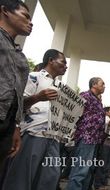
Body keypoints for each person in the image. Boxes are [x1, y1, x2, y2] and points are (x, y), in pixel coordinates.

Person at [2, 49, 68, 190]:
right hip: (33, 134)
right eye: (63, 62)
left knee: (50, 177)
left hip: (54, 137)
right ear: (51, 60)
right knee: (22, 177)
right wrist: (37, 97)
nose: (66, 66)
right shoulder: (33, 77)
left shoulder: (61, 88)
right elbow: (18, 105)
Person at [0, 0, 33, 173]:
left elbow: (18, 95)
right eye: (25, 16)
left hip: (7, 123)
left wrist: (16, 126)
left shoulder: (20, 57)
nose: (30, 22)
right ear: (5, 11)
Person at [66, 77, 106, 190]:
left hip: (95, 139)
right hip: (86, 138)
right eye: (102, 84)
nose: (104, 86)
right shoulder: (84, 96)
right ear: (94, 85)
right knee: (80, 170)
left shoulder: (98, 100)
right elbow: (73, 113)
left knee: (89, 170)